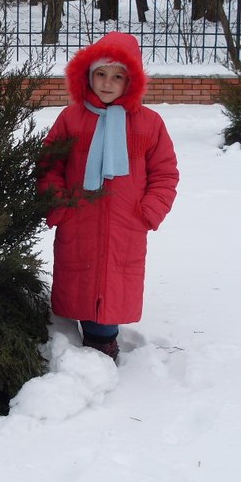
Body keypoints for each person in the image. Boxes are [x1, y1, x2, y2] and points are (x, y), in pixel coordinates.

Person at [38, 32, 179, 360]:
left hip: (126, 222)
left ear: (131, 81)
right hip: (79, 218)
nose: (107, 83)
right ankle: (77, 341)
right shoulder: (71, 118)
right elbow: (49, 164)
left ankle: (104, 342)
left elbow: (165, 174)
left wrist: (148, 211)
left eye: (117, 76)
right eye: (100, 74)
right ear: (86, 75)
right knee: (80, 278)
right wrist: (59, 204)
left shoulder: (149, 123)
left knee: (115, 281)